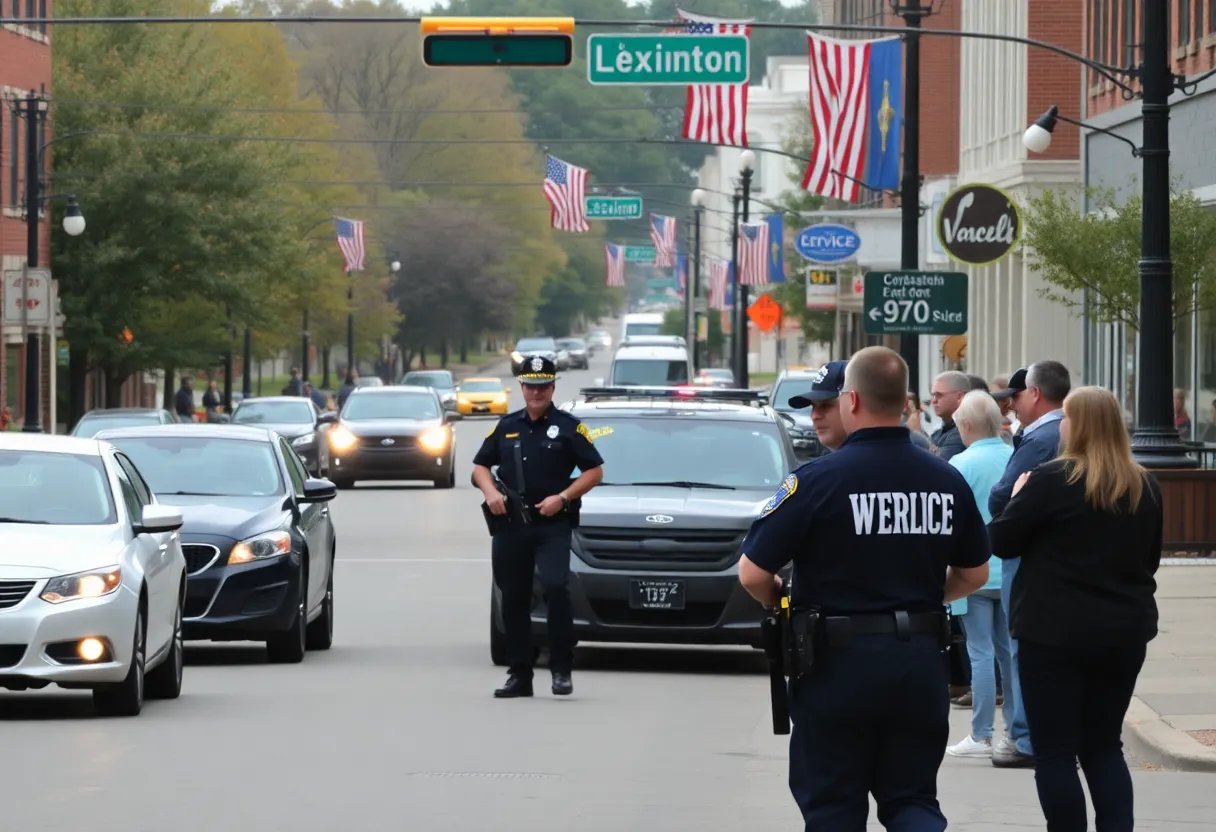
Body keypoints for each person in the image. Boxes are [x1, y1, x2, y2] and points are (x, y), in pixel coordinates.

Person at [737, 346, 991, 831]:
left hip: (837, 665)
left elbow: (752, 573)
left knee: (833, 806)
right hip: (919, 660)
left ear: (851, 399)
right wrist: (923, 600)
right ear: (904, 400)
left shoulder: (816, 481)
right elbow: (975, 573)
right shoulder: (945, 479)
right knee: (913, 801)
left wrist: (779, 601)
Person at [988, 386, 1162, 832]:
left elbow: (1001, 540)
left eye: (1066, 417)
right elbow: (1150, 558)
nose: (1061, 424)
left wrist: (1017, 495)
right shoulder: (1143, 484)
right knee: (1103, 745)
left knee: (1056, 751)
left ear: (1078, 425)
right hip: (1122, 633)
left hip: (1051, 633)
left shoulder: (1051, 479)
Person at [472, 354, 604, 699]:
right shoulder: (506, 426)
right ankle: (520, 674)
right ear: (522, 387)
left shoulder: (570, 427)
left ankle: (560, 669)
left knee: (556, 587)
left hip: (551, 525)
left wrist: (563, 497)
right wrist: (490, 493)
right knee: (513, 597)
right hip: (511, 525)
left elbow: (594, 471)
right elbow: (480, 466)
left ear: (553, 387)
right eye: (531, 386)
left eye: (543, 386)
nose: (537, 392)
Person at [988, 360, 1070, 768]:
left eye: (1016, 396)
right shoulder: (1061, 434)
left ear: (1035, 394)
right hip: (1058, 558)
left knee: (1022, 644)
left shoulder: (1040, 439)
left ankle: (1026, 736)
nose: (1012, 405)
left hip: (1027, 553)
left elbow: (1002, 498)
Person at [944, 391, 1015, 759]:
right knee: (1009, 654)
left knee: (980, 653)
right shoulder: (1013, 456)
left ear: (967, 425)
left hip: (974, 571)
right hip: (1011, 569)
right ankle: (1016, 731)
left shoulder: (960, 463)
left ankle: (981, 734)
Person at [788, 360, 931, 452]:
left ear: (853, 401)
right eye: (813, 407)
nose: (815, 416)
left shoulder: (908, 449)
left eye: (826, 406)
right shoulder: (827, 461)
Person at [928, 371, 970, 461]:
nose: (934, 401)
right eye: (933, 395)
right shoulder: (939, 433)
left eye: (939, 395)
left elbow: (937, 465)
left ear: (959, 396)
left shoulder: (964, 431)